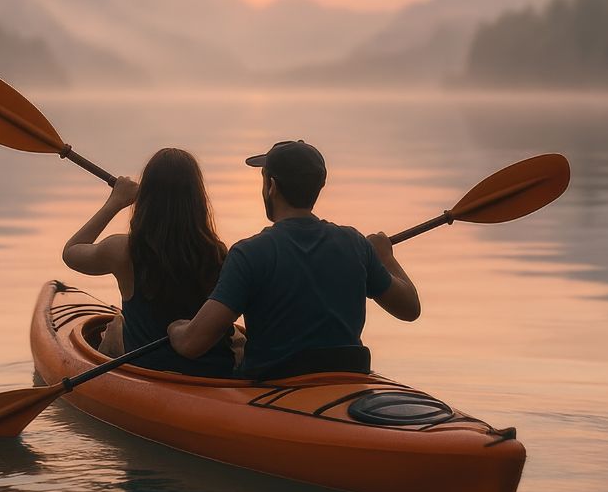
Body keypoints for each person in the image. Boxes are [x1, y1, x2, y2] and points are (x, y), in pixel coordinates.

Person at [167, 139, 421, 378]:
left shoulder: (249, 253)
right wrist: (386, 258)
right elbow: (409, 309)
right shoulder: (355, 244)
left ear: (272, 187)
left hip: (277, 384)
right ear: (319, 186)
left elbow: (192, 344)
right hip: (347, 376)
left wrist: (176, 328)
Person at [62, 147, 237, 377]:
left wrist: (115, 202)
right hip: (213, 371)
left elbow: (71, 252)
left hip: (148, 371)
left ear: (146, 198)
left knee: (114, 329)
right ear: (197, 199)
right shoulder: (218, 252)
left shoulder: (122, 250)